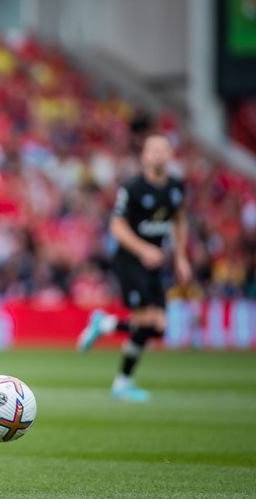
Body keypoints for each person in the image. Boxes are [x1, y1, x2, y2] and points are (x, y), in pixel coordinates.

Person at [77, 134, 190, 402]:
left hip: (154, 264)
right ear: (144, 156)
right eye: (153, 150)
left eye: (163, 149)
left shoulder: (176, 187)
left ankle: (105, 324)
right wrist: (144, 249)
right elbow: (117, 226)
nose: (158, 154)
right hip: (129, 261)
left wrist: (181, 258)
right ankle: (122, 382)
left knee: (159, 327)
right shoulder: (134, 187)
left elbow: (180, 220)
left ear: (169, 155)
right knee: (147, 321)